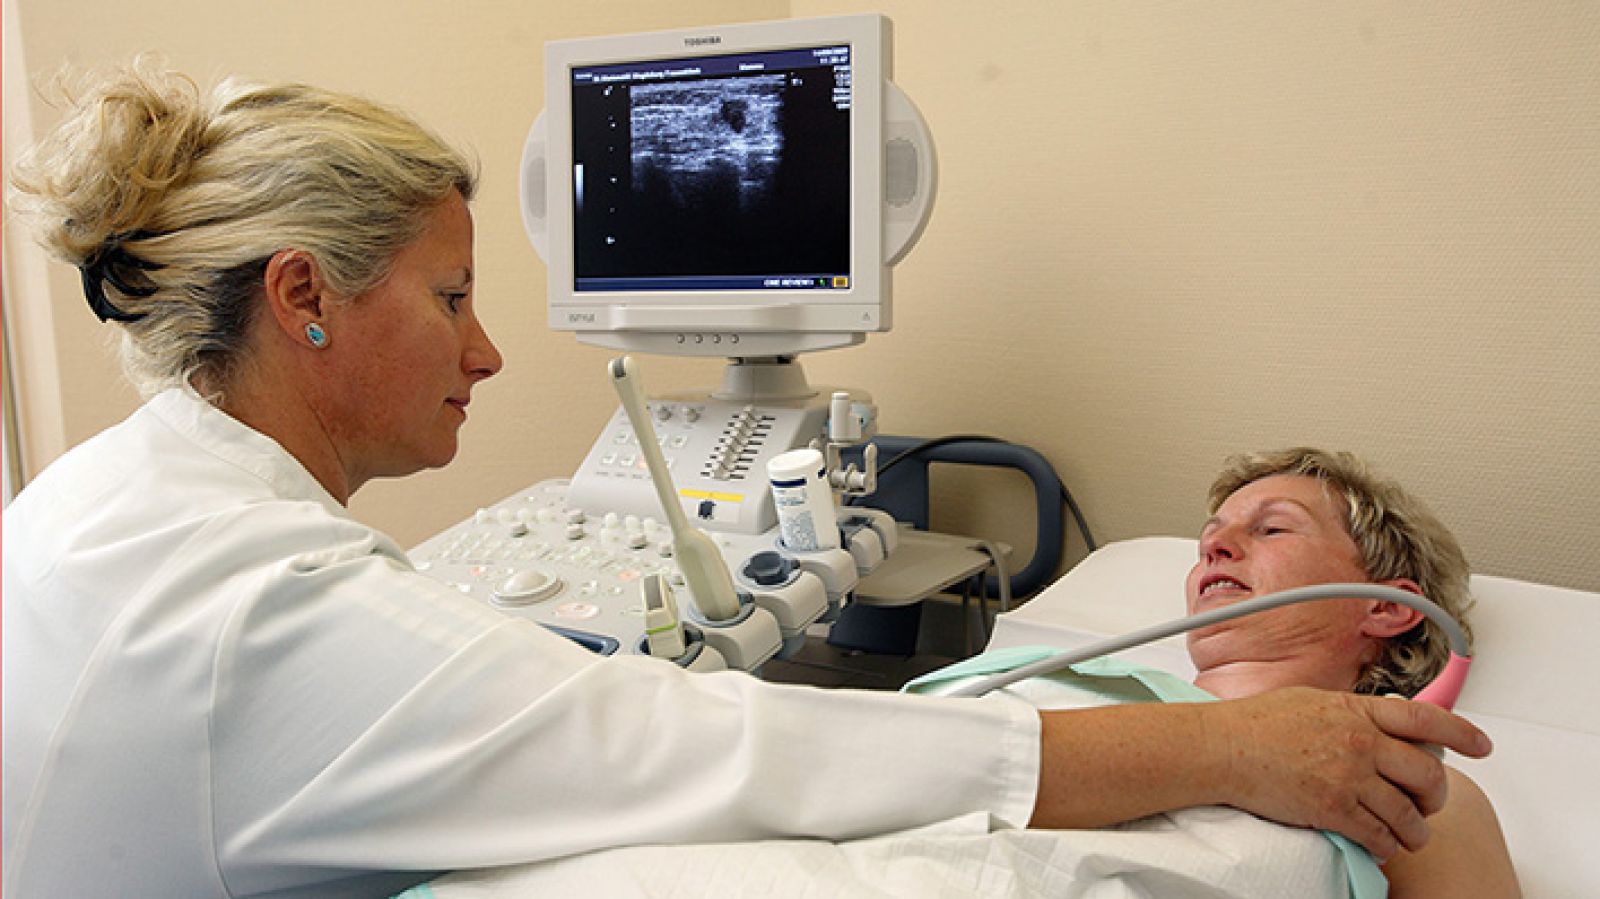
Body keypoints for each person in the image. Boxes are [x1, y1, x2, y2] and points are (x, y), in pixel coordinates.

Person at [1, 61, 1488, 898]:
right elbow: (712, 748)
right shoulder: (258, 591)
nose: (492, 351)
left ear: (1387, 607)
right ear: (306, 296)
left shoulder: (96, 501)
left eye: (1273, 523)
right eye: (453, 297)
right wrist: (1224, 750)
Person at [1186, 448, 1520, 898]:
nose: (1212, 548)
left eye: (1272, 528)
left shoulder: (1397, 791)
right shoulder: (1072, 688)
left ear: (1386, 606)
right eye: (1209, 536)